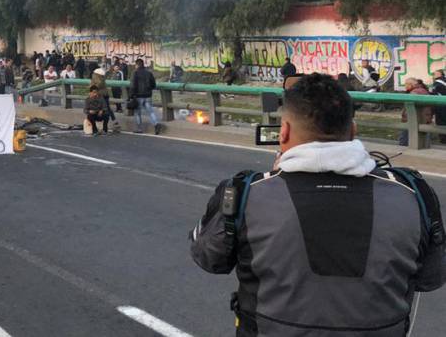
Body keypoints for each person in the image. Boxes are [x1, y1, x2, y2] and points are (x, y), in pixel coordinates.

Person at [189, 73, 445, 335]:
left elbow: (209, 258)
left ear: (284, 131)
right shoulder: (412, 194)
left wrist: (272, 178)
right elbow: (432, 277)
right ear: (353, 131)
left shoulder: (245, 194)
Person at [399, 77, 433, 148]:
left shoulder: (414, 92)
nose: (405, 86)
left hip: (413, 120)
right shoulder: (423, 90)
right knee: (424, 142)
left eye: (406, 84)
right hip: (425, 119)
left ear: (411, 84)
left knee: (404, 142)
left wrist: (404, 119)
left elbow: (409, 109)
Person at [131, 59, 160, 134]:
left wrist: (132, 95)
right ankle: (156, 124)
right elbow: (154, 84)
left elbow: (133, 85)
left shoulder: (135, 73)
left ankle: (139, 128)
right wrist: (149, 89)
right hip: (148, 95)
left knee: (138, 113)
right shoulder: (149, 73)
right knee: (150, 112)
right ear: (143, 64)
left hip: (138, 96)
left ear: (137, 65)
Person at [432, 69, 446, 144]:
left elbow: (433, 95)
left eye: (435, 73)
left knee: (441, 122)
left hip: (440, 106)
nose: (434, 75)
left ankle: (443, 140)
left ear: (440, 74)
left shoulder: (437, 83)